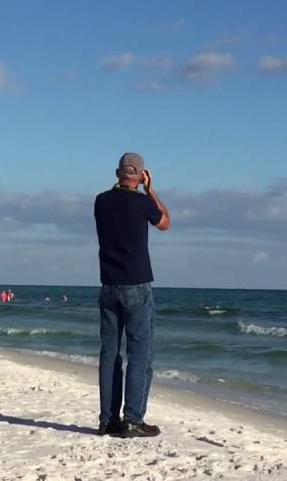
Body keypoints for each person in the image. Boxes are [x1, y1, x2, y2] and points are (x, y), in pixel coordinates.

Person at [94, 152, 170, 438]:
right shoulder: (142, 202)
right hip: (137, 285)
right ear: (140, 175)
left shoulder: (101, 200)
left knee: (109, 354)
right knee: (139, 354)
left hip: (109, 286)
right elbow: (165, 222)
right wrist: (151, 191)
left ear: (117, 173)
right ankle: (133, 419)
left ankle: (107, 419)